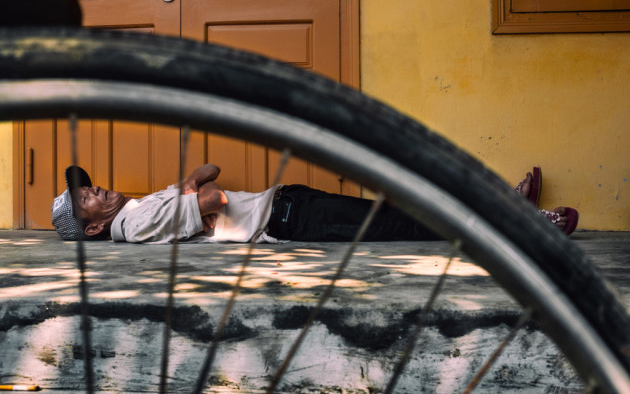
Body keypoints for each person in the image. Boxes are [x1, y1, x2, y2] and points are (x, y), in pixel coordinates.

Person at [51, 164, 578, 244]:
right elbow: (209, 190)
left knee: (399, 215)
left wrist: (191, 191)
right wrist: (193, 194)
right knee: (401, 221)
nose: (95, 190)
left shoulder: (137, 209)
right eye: (86, 199)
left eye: (89, 186)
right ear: (92, 228)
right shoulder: (138, 220)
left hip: (287, 207)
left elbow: (204, 175)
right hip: (286, 218)